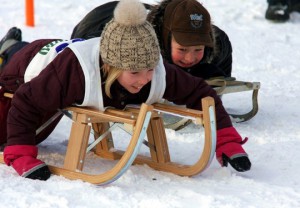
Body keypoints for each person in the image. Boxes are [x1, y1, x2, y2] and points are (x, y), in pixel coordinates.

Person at [0, 0, 251, 181]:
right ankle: (9, 46)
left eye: (149, 70)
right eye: (134, 72)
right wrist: (21, 152)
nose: (144, 80)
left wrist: (228, 140)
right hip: (27, 64)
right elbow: (26, 101)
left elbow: (201, 93)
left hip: (71, 57)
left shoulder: (157, 70)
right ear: (111, 66)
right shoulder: (74, 73)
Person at [71, 0, 233, 80]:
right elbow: (89, 55)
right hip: (97, 23)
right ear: (165, 39)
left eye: (198, 49)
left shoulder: (218, 43)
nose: (190, 57)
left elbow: (220, 81)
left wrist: (213, 83)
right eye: (182, 49)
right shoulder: (131, 42)